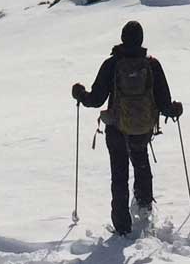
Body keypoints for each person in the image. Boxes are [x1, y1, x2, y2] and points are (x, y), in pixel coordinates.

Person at [73, 20, 183, 236]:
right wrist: (174, 110)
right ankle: (144, 206)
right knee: (141, 163)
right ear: (141, 40)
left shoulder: (112, 64)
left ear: (123, 39)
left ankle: (122, 226)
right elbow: (164, 102)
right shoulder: (151, 65)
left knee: (119, 174)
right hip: (142, 128)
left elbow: (95, 100)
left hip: (116, 128)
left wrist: (80, 94)